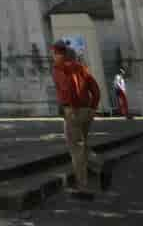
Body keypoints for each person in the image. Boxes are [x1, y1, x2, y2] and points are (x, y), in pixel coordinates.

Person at [51, 40, 105, 199]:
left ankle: (83, 187)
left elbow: (68, 87)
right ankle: (99, 165)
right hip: (87, 111)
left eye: (53, 53)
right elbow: (95, 89)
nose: (52, 56)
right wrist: (93, 107)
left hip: (73, 111)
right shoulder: (82, 67)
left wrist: (72, 107)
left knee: (76, 149)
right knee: (82, 144)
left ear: (59, 54)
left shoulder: (59, 68)